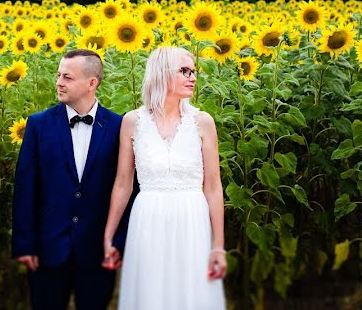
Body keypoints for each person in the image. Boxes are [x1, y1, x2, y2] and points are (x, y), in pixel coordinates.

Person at [102, 46, 226, 309]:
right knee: (150, 295)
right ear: (161, 73)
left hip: (192, 219)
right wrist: (109, 236)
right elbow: (124, 183)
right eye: (184, 71)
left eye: (193, 71)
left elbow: (213, 187)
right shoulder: (132, 121)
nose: (192, 77)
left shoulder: (203, 122)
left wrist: (218, 247)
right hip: (148, 220)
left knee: (192, 295)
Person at [12, 49, 129, 310]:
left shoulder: (118, 126)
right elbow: (25, 189)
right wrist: (24, 244)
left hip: (98, 251)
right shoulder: (38, 125)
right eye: (58, 75)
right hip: (47, 250)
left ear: (91, 83)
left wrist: (118, 242)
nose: (59, 82)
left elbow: (127, 189)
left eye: (67, 77)